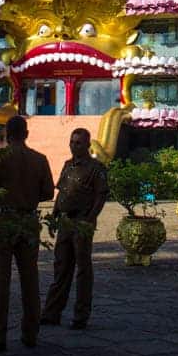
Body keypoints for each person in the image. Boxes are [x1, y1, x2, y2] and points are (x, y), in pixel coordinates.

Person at [0, 114, 54, 351]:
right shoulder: (39, 160)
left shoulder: (1, 158)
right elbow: (48, 193)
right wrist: (28, 196)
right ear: (27, 134)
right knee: (30, 278)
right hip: (29, 220)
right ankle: (30, 333)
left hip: (4, 218)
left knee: (2, 279)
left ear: (7, 135)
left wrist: (5, 194)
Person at [40, 128, 108, 329]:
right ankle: (52, 312)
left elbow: (101, 195)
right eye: (72, 142)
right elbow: (61, 193)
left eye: (78, 142)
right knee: (61, 267)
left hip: (82, 221)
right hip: (65, 221)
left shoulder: (96, 168)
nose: (74, 146)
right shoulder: (68, 166)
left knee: (83, 269)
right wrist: (54, 216)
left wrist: (90, 219)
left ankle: (81, 315)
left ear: (87, 145)